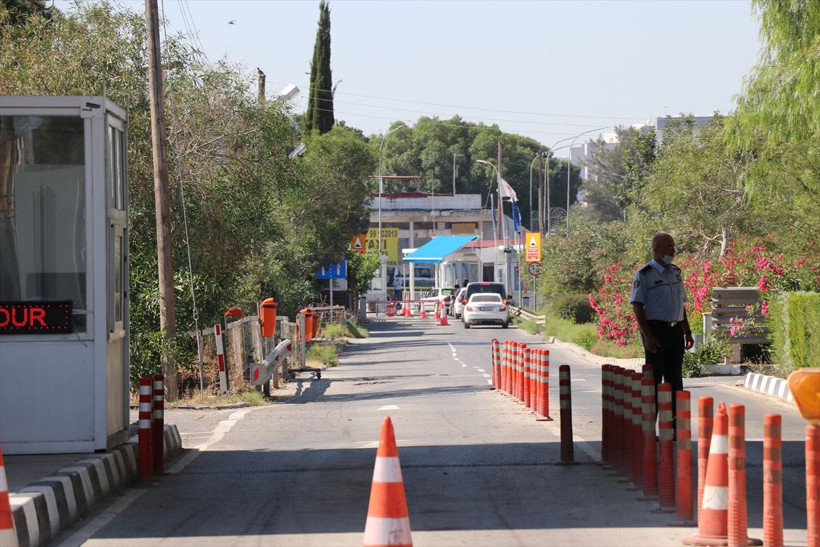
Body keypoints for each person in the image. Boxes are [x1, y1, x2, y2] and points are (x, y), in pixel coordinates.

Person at [630, 233, 694, 416]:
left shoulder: (675, 272)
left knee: (675, 379)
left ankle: (675, 427)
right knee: (655, 380)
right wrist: (648, 336)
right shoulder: (644, 274)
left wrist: (687, 331)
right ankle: (650, 427)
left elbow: (680, 304)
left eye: (673, 246)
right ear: (656, 250)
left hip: (675, 330)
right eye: (668, 247)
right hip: (655, 331)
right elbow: (637, 306)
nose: (672, 250)